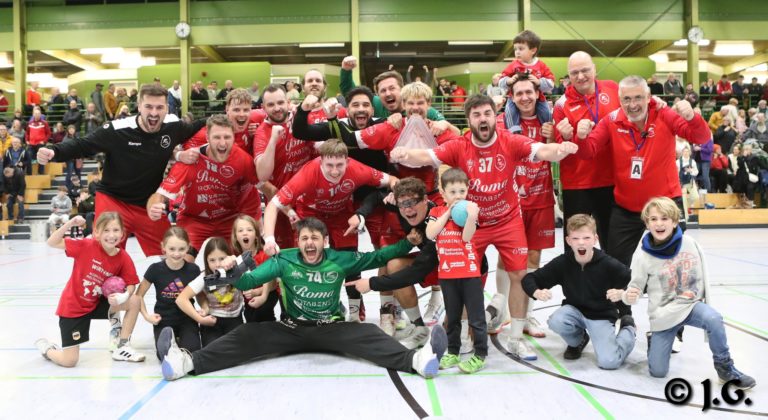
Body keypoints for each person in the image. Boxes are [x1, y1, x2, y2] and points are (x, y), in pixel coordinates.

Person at [389, 94, 579, 359]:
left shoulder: (509, 141)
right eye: (476, 114)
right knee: (465, 278)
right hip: (472, 223)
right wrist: (405, 153)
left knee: (519, 275)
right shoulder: (459, 145)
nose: (483, 119)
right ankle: (465, 334)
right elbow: (427, 155)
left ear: (494, 116)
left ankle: (516, 338)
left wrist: (560, 150)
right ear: (469, 120)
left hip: (508, 220)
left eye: (487, 113)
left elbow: (541, 150)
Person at [158, 217, 448, 381]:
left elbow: (379, 257)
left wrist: (408, 243)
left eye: (315, 238)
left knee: (369, 333)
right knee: (246, 334)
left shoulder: (340, 259)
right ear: (297, 242)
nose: (309, 243)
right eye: (304, 238)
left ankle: (417, 361)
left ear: (325, 241)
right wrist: (234, 272)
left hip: (331, 328)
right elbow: (249, 282)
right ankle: (187, 363)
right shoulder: (284, 260)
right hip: (290, 328)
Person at [37, 84, 206, 256]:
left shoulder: (173, 126)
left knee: (175, 252)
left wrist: (224, 118)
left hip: (148, 205)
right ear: (139, 106)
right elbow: (83, 145)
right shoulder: (117, 129)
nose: (154, 113)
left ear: (167, 108)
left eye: (159, 107)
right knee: (105, 256)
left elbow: (201, 125)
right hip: (113, 200)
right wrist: (54, 151)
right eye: (148, 106)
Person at [574, 75, 711, 268]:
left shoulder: (664, 114)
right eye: (626, 99)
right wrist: (581, 137)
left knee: (671, 264)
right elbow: (587, 152)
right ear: (619, 100)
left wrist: (691, 117)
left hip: (665, 205)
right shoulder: (611, 121)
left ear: (648, 97)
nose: (632, 105)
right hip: (626, 208)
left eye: (638, 97)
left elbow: (702, 137)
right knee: (615, 266)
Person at [622, 197, 755, 388]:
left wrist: (706, 304)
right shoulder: (642, 255)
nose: (659, 223)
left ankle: (725, 367)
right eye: (653, 219)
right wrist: (629, 296)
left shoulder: (690, 243)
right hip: (664, 315)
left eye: (665, 218)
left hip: (691, 306)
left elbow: (704, 279)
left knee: (713, 318)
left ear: (675, 221)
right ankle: (655, 340)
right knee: (658, 372)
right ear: (647, 223)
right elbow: (634, 288)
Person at [262, 140, 395, 322]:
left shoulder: (357, 169)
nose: (334, 171)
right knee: (306, 263)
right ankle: (302, 313)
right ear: (321, 161)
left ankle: (355, 316)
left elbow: (393, 181)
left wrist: (394, 194)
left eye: (339, 165)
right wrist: (269, 239)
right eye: (329, 165)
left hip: (341, 214)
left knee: (351, 262)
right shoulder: (308, 173)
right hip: (312, 214)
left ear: (347, 161)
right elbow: (273, 205)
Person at [523, 214, 635, 368]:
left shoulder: (608, 264)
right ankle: (579, 340)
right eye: (575, 238)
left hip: (601, 315)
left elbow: (638, 282)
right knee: (556, 321)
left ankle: (628, 329)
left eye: (586, 238)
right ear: (568, 240)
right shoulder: (563, 262)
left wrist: (623, 293)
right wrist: (536, 292)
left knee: (609, 362)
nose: (581, 243)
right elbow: (529, 279)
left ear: (595, 239)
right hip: (574, 311)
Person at [34, 212, 146, 367]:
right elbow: (52, 242)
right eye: (106, 230)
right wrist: (70, 223)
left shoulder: (123, 257)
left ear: (122, 233)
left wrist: (124, 296)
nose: (111, 235)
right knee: (69, 361)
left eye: (116, 230)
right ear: (97, 232)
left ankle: (122, 346)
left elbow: (131, 284)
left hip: (96, 304)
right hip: (73, 308)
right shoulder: (86, 246)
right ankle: (47, 349)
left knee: (134, 300)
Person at [147, 114, 261, 250]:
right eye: (217, 137)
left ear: (233, 137)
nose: (222, 143)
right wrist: (153, 208)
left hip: (230, 219)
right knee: (181, 256)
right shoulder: (190, 159)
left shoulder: (243, 159)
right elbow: (160, 195)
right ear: (207, 137)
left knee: (245, 257)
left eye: (227, 137)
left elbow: (263, 186)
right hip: (193, 219)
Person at [422, 168, 487, 374]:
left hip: (469, 274)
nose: (458, 196)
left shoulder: (469, 211)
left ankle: (480, 355)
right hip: (447, 275)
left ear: (467, 191)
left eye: (462, 191)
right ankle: (452, 351)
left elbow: (467, 237)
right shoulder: (436, 212)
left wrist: (471, 216)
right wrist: (448, 212)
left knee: (476, 318)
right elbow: (431, 234)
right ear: (443, 193)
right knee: (452, 316)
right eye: (452, 192)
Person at [553, 51, 619, 249]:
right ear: (568, 76)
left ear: (594, 69)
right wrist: (566, 137)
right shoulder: (561, 105)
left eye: (585, 70)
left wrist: (655, 102)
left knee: (613, 246)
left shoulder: (613, 89)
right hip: (577, 184)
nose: (580, 76)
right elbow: (559, 150)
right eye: (574, 73)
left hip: (611, 180)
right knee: (576, 246)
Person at [134, 226, 202, 360]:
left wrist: (204, 308)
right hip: (163, 320)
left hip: (187, 318)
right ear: (163, 247)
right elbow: (139, 295)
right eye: (172, 249)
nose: (176, 253)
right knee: (164, 355)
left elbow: (200, 295)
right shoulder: (155, 269)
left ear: (188, 248)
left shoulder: (193, 270)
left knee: (193, 352)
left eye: (181, 249)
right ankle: (170, 342)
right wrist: (147, 316)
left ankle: (180, 342)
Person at [174, 237, 249, 346]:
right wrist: (200, 319)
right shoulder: (205, 277)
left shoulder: (237, 270)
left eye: (222, 258)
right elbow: (181, 299)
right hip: (212, 321)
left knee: (238, 348)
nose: (217, 264)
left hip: (234, 319)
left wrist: (235, 260)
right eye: (212, 260)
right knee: (214, 348)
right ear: (206, 261)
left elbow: (254, 270)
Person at [340, 56, 445, 121]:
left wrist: (444, 124)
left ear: (402, 90)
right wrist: (346, 70)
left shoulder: (418, 108)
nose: (388, 93)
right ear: (377, 94)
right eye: (383, 90)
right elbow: (352, 93)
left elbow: (447, 128)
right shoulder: (376, 104)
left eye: (392, 88)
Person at [498, 30, 554, 134]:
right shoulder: (514, 65)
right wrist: (508, 81)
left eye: (521, 48)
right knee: (509, 111)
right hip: (514, 98)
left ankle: (546, 131)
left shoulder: (541, 65)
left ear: (533, 50)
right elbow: (501, 80)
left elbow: (551, 83)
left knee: (546, 112)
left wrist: (539, 82)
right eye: (515, 49)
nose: (517, 52)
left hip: (538, 98)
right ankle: (513, 132)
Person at [231, 215, 278, 323]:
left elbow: (273, 284)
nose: (245, 233)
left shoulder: (264, 255)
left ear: (256, 236)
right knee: (250, 317)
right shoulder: (237, 260)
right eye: (240, 230)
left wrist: (258, 292)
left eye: (249, 230)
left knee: (262, 314)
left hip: (268, 294)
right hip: (249, 300)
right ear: (236, 237)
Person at [182, 88, 255, 154]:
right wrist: (178, 155)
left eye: (246, 110)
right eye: (236, 110)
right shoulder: (211, 132)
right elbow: (186, 152)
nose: (242, 114)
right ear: (227, 109)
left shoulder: (253, 125)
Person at [676, 145, 699, 219]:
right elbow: (675, 172)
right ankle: (686, 218)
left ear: (690, 153)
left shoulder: (692, 162)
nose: (686, 153)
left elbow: (696, 172)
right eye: (684, 151)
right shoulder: (677, 162)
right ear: (682, 153)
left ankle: (688, 205)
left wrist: (691, 171)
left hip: (690, 181)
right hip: (681, 183)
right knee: (684, 200)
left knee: (696, 197)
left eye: (687, 151)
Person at [27, 107, 51, 174]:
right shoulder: (30, 123)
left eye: (38, 114)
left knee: (41, 158)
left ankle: (41, 173)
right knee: (28, 157)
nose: (37, 115)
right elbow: (27, 133)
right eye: (35, 114)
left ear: (40, 115)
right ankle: (29, 173)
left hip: (40, 144)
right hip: (31, 144)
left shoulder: (45, 123)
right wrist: (27, 140)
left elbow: (48, 133)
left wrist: (44, 141)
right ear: (33, 114)